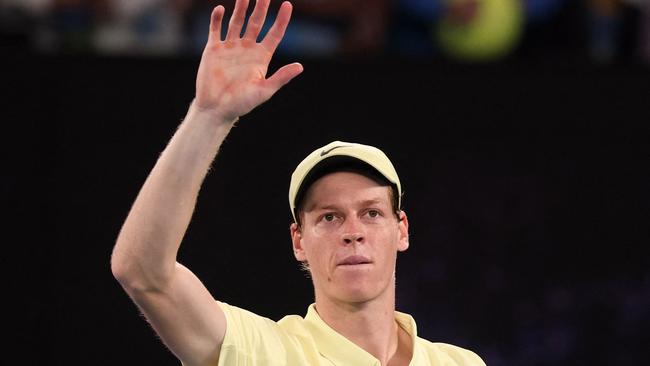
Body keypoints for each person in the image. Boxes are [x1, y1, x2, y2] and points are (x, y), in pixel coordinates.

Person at [110, 0, 486, 365]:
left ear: (401, 230)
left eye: (371, 213)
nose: (353, 232)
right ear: (298, 240)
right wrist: (209, 116)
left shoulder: (459, 363)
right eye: (329, 217)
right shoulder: (262, 352)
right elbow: (144, 273)